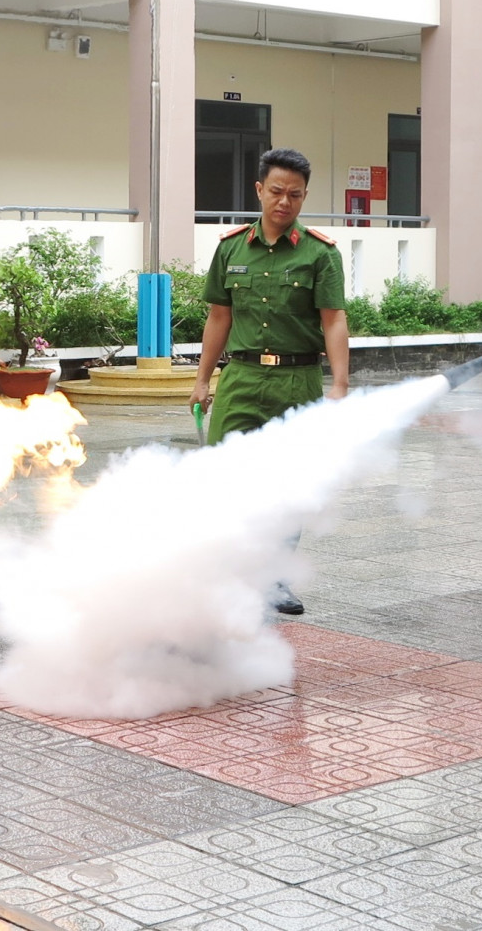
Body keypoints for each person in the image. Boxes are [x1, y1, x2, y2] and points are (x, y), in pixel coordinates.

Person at [189, 147, 351, 617]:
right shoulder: (231, 248)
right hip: (240, 377)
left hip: (297, 381)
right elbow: (219, 316)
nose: (285, 202)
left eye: (295, 195)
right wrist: (202, 380)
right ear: (260, 190)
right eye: (277, 191)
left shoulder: (321, 253)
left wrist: (339, 386)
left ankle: (276, 578)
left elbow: (333, 320)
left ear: (304, 197)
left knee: (288, 484)